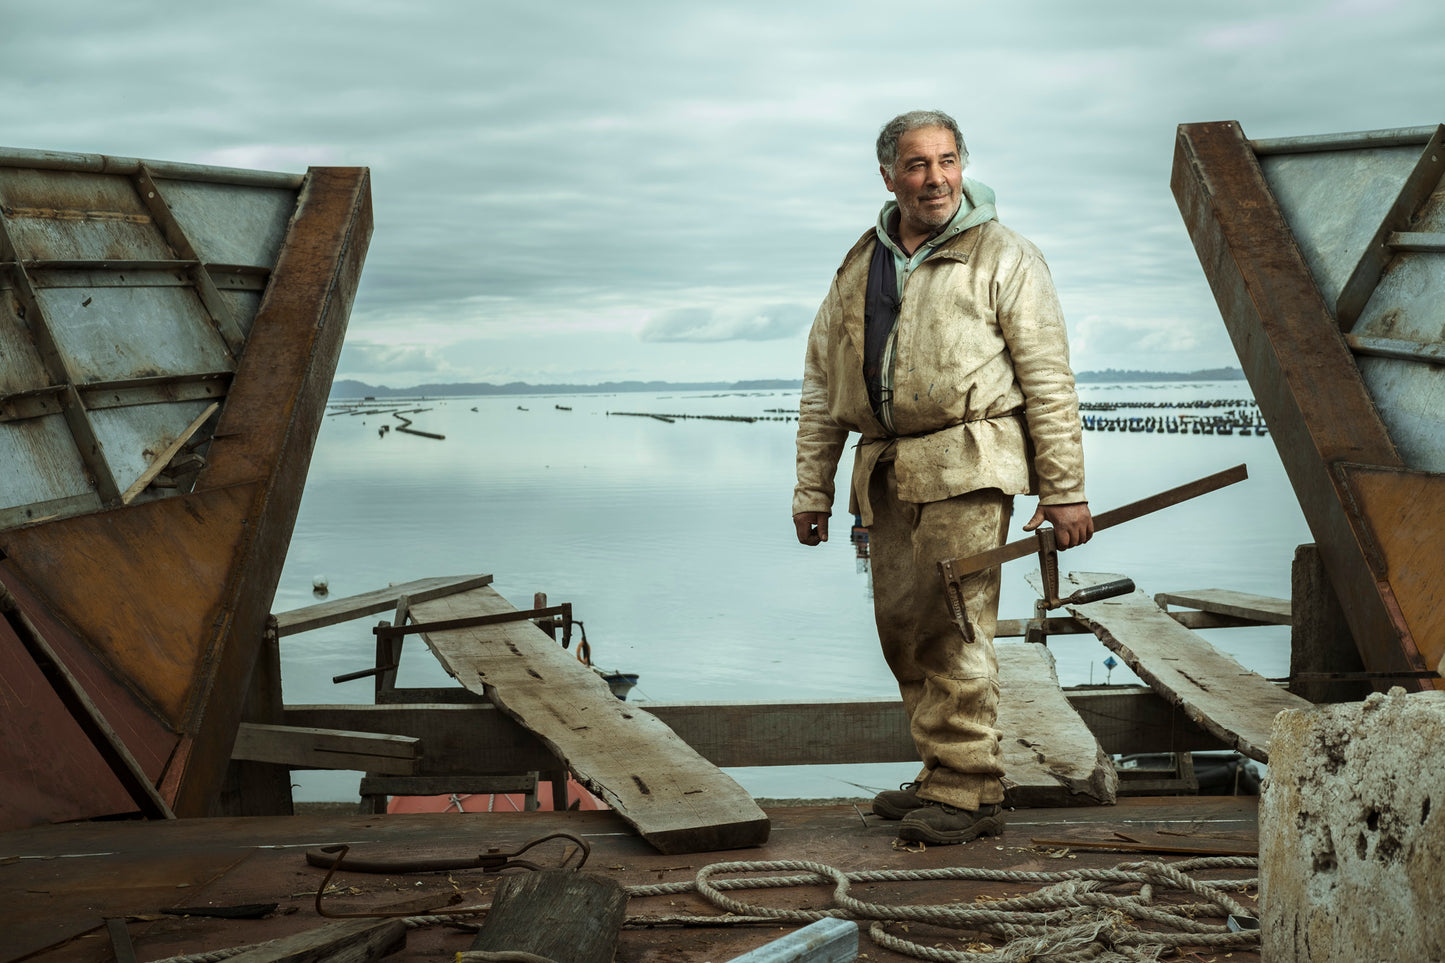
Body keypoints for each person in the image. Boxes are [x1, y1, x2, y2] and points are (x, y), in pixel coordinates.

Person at [791, 110, 1093, 845]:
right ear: (888, 174)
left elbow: (1048, 379)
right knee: (901, 626)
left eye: (947, 161)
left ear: (962, 165)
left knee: (955, 626)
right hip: (886, 468)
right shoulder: (860, 262)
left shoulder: (1004, 255)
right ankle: (941, 769)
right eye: (919, 164)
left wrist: (1064, 489)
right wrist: (813, 488)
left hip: (968, 462)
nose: (935, 178)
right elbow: (820, 384)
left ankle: (969, 789)